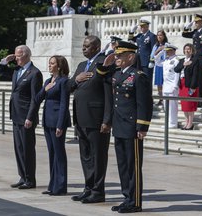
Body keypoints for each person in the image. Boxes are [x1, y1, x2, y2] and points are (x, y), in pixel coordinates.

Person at [97, 40, 153, 213]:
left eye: (120, 55)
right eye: (116, 55)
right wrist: (105, 64)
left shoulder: (138, 76)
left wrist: (142, 127)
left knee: (132, 165)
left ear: (131, 56)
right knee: (122, 165)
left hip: (132, 127)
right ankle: (127, 198)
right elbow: (102, 77)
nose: (117, 58)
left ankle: (135, 201)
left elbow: (144, 104)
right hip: (119, 125)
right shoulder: (117, 74)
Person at [68, 35, 112, 203]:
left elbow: (109, 93)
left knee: (98, 156)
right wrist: (77, 79)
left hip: (96, 119)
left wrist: (107, 120)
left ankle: (98, 191)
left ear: (96, 47)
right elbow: (69, 86)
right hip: (81, 118)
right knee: (85, 156)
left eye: (87, 46)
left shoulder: (104, 62)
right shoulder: (81, 65)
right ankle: (88, 188)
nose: (83, 48)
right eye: (83, 46)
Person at [0, 45, 43, 189]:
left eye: (18, 56)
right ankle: (22, 176)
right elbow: (2, 74)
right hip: (16, 115)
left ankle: (30, 179)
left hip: (26, 117)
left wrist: (30, 117)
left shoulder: (34, 73)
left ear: (26, 55)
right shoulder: (17, 70)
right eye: (15, 55)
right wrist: (5, 61)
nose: (16, 58)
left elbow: (35, 99)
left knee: (27, 149)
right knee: (18, 148)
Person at [35, 56, 71, 196]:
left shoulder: (64, 81)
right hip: (47, 120)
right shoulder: (48, 81)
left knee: (59, 153)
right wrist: (45, 89)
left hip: (57, 121)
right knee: (52, 153)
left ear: (59, 66)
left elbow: (64, 104)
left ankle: (61, 186)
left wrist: (60, 124)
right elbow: (37, 99)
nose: (49, 66)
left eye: (52, 63)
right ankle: (52, 185)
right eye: (49, 63)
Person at [182, 14, 202, 107]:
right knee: (195, 78)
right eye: (195, 22)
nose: (196, 23)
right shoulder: (195, 32)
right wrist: (187, 27)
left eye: (197, 22)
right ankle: (196, 99)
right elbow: (184, 34)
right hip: (194, 58)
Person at [174, 43, 199, 130]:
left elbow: (196, 75)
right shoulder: (182, 60)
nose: (187, 50)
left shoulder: (195, 60)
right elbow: (176, 69)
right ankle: (186, 122)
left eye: (189, 49)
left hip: (190, 84)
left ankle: (190, 123)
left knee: (190, 104)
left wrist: (193, 87)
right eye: (186, 49)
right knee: (184, 105)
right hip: (182, 84)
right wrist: (184, 64)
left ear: (192, 50)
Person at [155, 43, 180, 128]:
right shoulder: (166, 61)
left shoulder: (176, 60)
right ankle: (168, 122)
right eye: (166, 51)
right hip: (165, 86)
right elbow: (156, 60)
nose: (167, 53)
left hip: (172, 86)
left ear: (173, 51)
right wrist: (162, 51)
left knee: (173, 106)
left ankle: (173, 123)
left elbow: (177, 73)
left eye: (168, 51)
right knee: (166, 106)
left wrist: (175, 86)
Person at [128, 18, 156, 86]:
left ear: (147, 26)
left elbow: (153, 49)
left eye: (143, 26)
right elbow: (130, 40)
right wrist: (131, 32)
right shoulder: (139, 35)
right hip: (138, 61)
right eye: (141, 26)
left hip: (146, 61)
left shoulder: (151, 36)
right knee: (138, 78)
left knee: (147, 79)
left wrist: (152, 61)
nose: (142, 28)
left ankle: (148, 95)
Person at [150, 30, 168, 106]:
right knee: (159, 83)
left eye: (161, 35)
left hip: (165, 65)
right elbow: (152, 55)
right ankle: (161, 99)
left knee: (165, 82)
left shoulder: (167, 44)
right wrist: (158, 50)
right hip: (158, 65)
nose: (159, 37)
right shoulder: (155, 45)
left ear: (164, 36)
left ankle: (165, 98)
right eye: (158, 35)